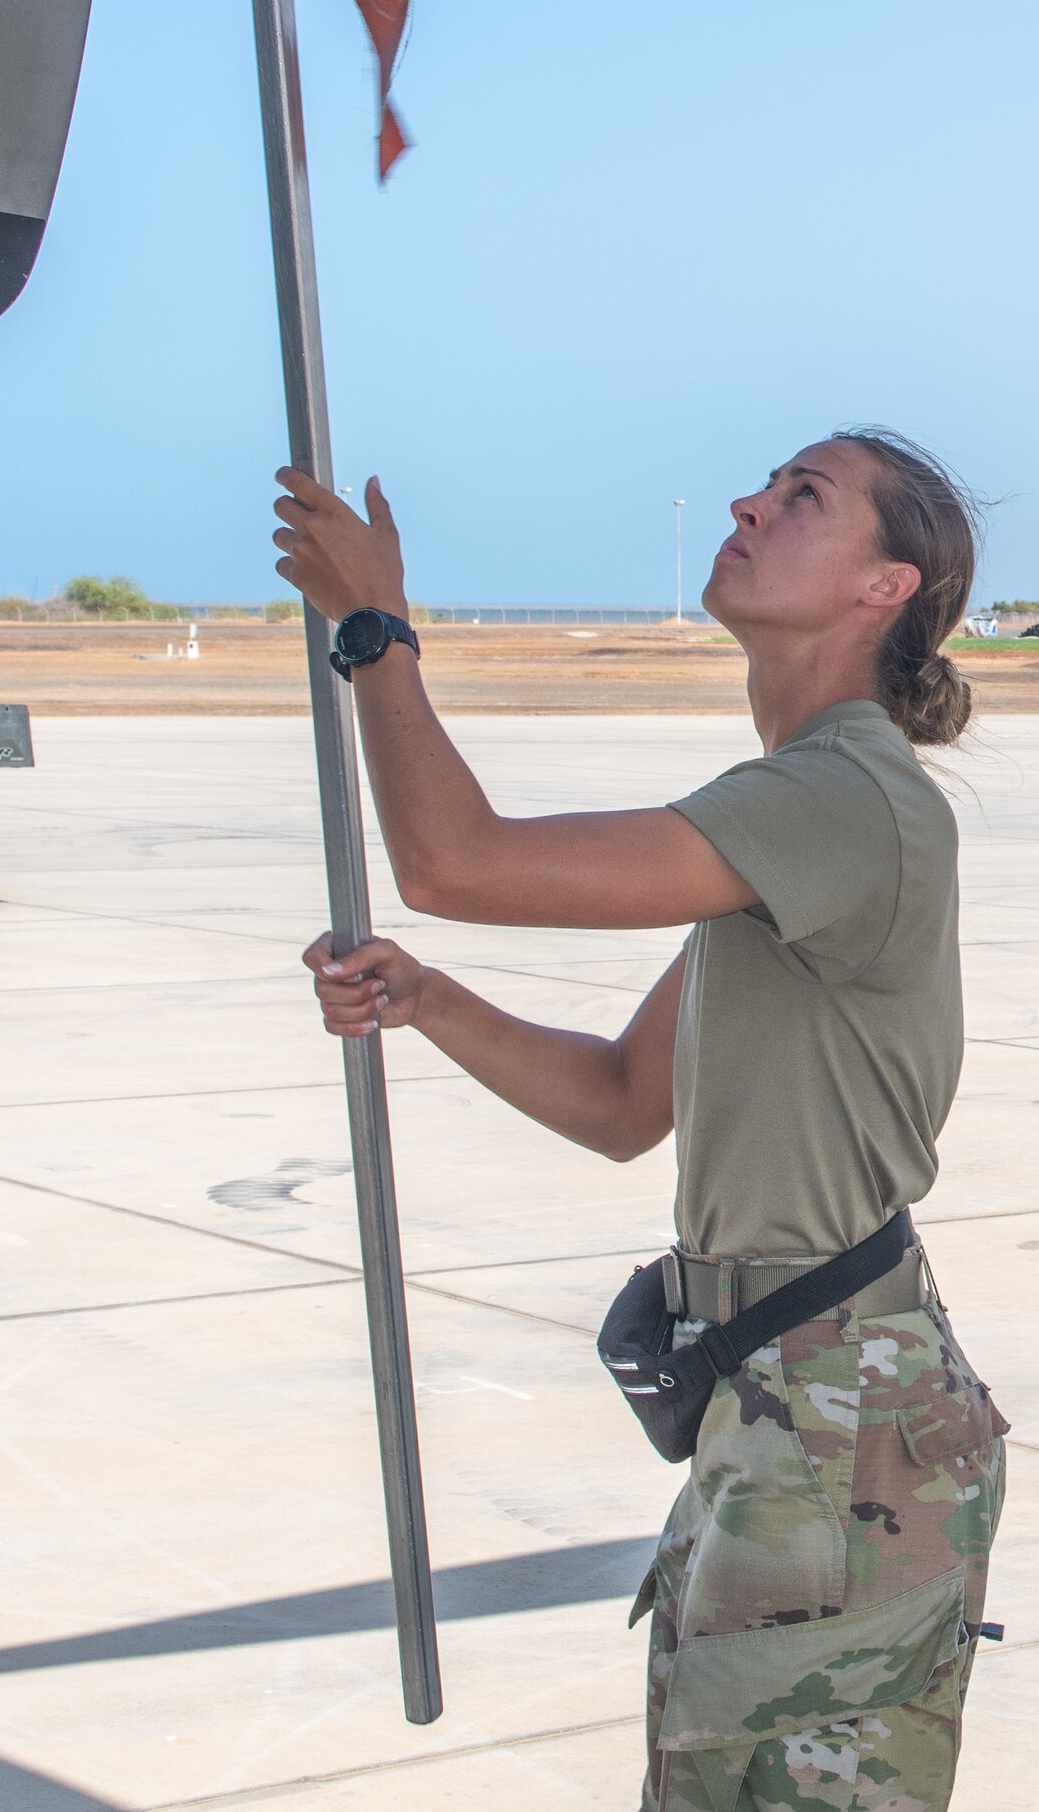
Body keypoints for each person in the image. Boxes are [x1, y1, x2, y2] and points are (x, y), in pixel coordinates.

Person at [273, 429, 1007, 1812]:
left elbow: (453, 861)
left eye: (804, 497)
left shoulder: (843, 797)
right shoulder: (788, 827)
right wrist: (432, 1004)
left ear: (883, 589)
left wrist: (371, 628)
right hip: (780, 1390)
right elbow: (620, 1104)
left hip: (835, 1405)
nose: (748, 500)